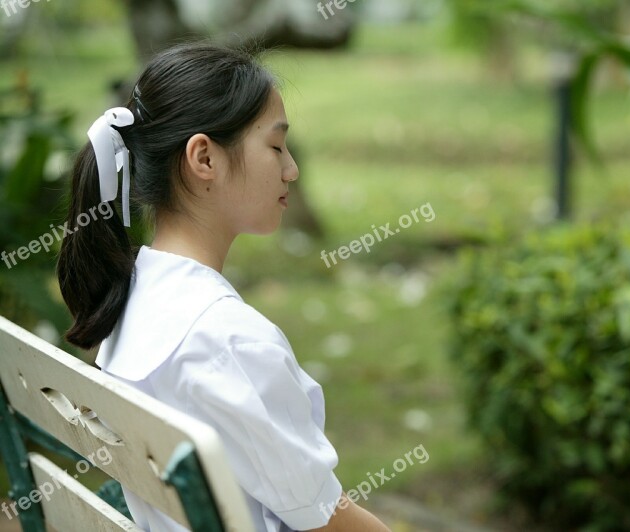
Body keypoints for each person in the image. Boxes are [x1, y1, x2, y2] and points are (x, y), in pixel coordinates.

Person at [56, 43, 391, 532]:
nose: (291, 169)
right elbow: (325, 522)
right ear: (204, 158)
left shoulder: (130, 304)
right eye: (276, 147)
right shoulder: (226, 340)